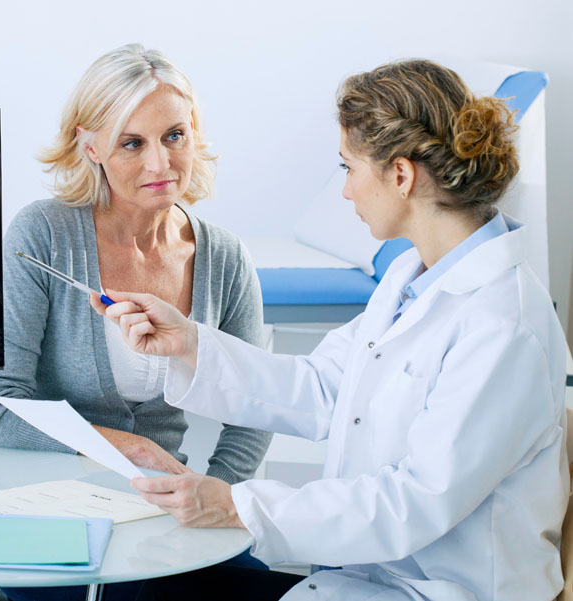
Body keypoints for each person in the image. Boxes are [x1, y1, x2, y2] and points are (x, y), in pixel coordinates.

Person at [95, 59, 569, 601]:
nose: (345, 191)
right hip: (365, 577)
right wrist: (189, 344)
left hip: (441, 590)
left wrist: (237, 505)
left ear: (400, 175)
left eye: (348, 168)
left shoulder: (503, 323)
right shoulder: (411, 277)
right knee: (153, 589)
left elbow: (413, 502)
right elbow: (324, 387)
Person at [0, 44, 273, 601]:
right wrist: (121, 447)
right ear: (91, 145)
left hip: (168, 518)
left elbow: (255, 410)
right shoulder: (45, 236)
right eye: (132, 143)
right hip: (51, 512)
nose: (160, 164)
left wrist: (214, 498)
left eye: (174, 136)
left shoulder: (225, 258)